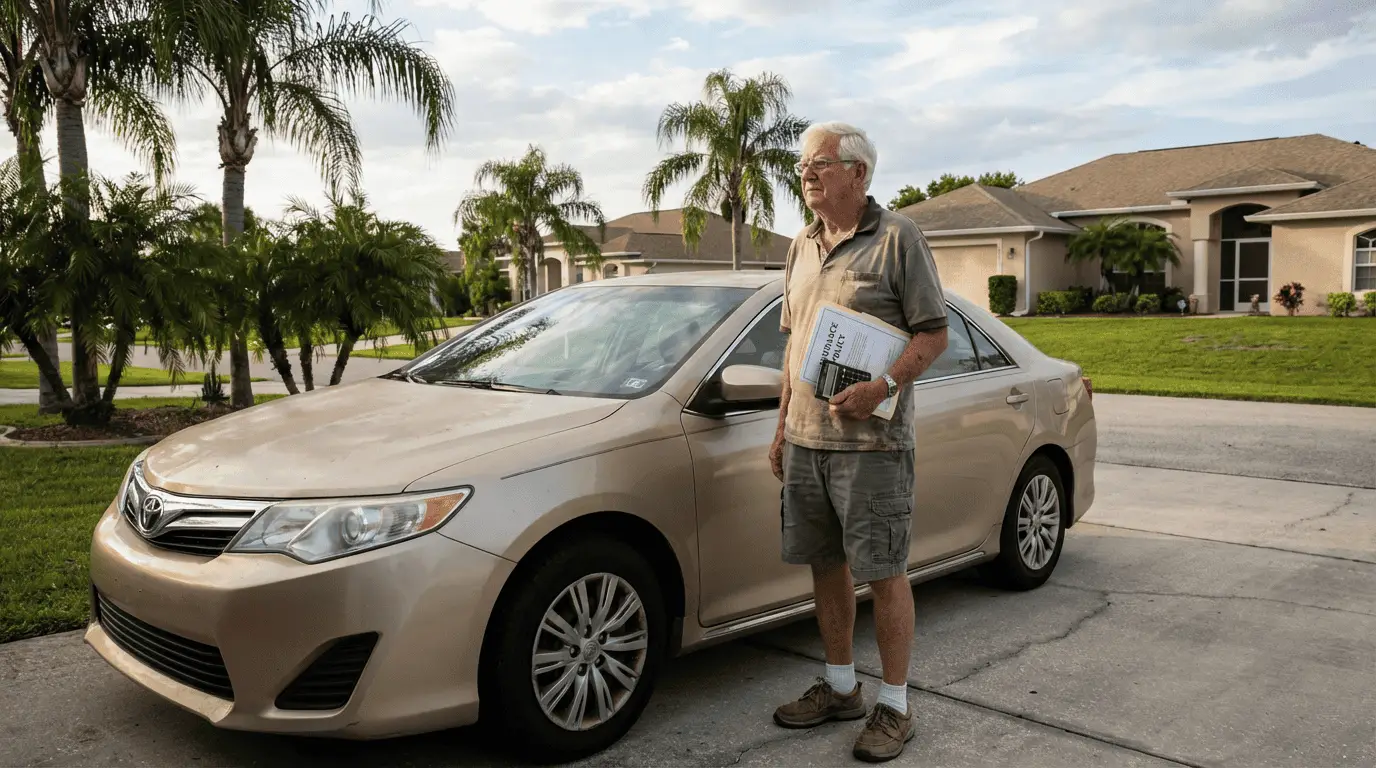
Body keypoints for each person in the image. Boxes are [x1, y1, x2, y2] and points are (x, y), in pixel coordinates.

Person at [769, 121, 950, 763]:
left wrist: (881, 385)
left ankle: (895, 704)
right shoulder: (801, 245)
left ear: (857, 173)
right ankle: (842, 685)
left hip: (873, 446)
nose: (805, 174)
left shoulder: (898, 237)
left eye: (817, 164)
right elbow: (795, 345)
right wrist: (781, 426)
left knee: (884, 573)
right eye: (802, 165)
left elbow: (933, 335)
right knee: (826, 565)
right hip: (807, 443)